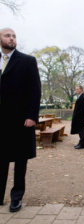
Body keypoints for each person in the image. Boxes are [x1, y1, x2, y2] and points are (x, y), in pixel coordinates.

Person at [0, 28, 41, 212]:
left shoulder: (27, 61)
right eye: (7, 35)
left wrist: (32, 116)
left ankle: (16, 197)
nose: (11, 38)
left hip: (20, 120)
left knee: (20, 160)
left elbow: (35, 91)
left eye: (14, 36)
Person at [71, 85, 84, 149]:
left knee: (81, 131)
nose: (76, 90)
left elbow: (82, 110)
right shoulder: (80, 97)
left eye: (77, 89)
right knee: (80, 131)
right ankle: (81, 142)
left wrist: (77, 116)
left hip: (80, 118)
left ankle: (82, 144)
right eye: (76, 89)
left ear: (81, 89)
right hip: (78, 118)